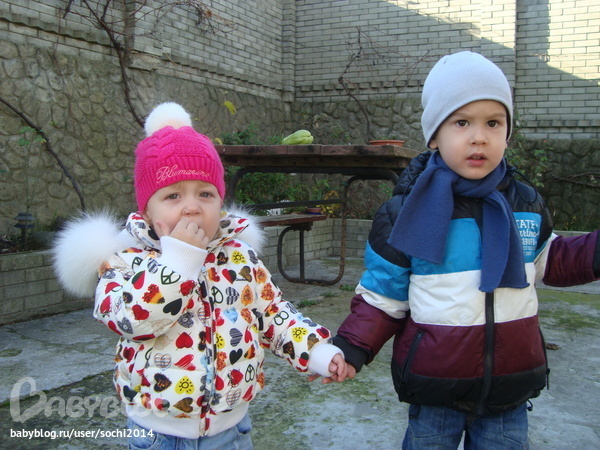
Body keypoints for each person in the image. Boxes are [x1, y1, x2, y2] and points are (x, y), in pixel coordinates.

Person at [331, 51, 600, 449]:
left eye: (493, 122)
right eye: (462, 122)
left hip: (509, 389)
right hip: (435, 387)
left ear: (507, 132)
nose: (479, 137)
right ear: (435, 135)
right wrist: (352, 347)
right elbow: (383, 296)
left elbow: (552, 259)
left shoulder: (524, 203)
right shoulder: (406, 213)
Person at [53, 102, 350, 449]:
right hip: (158, 432)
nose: (192, 207)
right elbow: (130, 319)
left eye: (206, 194)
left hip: (230, 430)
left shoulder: (238, 257)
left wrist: (316, 351)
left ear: (220, 204)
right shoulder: (126, 260)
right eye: (173, 195)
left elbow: (273, 314)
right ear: (146, 211)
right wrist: (177, 265)